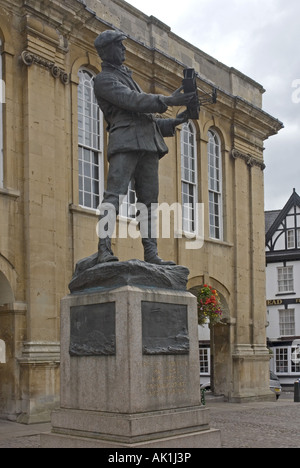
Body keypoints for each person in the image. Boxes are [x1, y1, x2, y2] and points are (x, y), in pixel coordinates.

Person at [94, 29, 195, 265]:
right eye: (120, 45)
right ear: (107, 50)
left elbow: (145, 121)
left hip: (148, 145)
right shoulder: (104, 79)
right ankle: (104, 249)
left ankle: (151, 253)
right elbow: (132, 101)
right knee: (114, 196)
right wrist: (167, 101)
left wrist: (174, 122)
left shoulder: (125, 75)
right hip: (125, 143)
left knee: (148, 202)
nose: (124, 50)